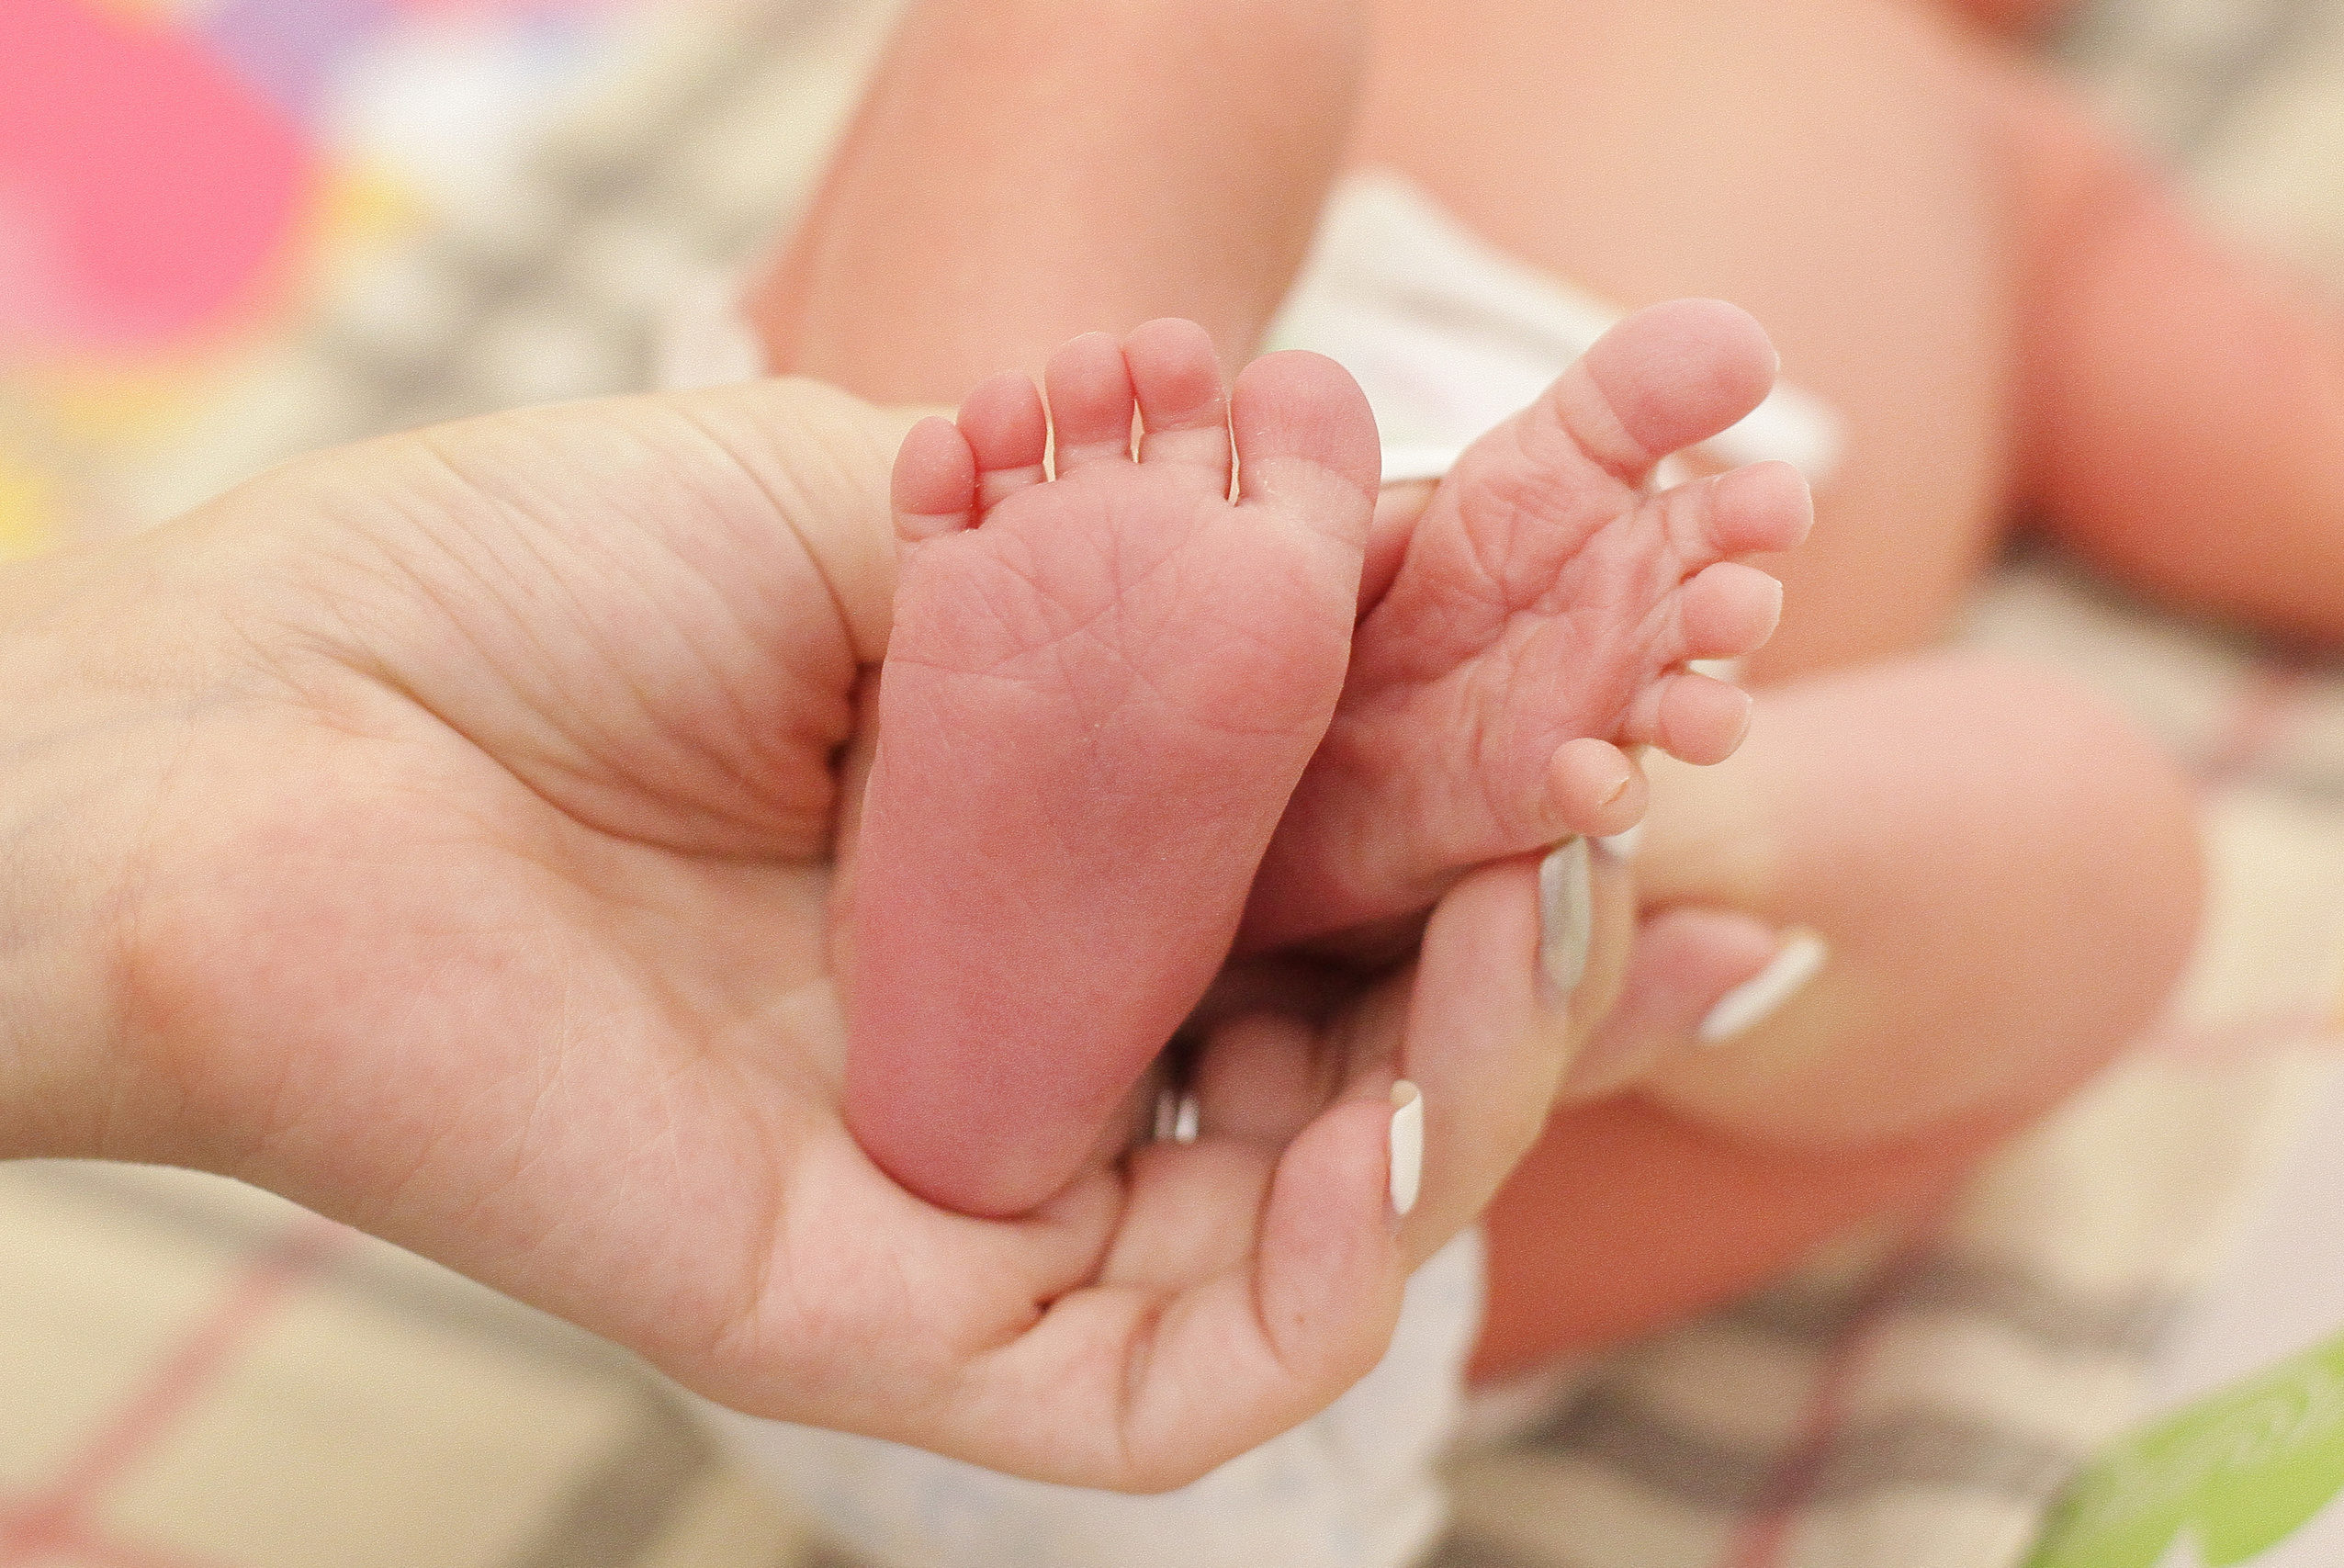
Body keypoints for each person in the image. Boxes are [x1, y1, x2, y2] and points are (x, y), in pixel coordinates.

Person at [759, 0, 2218, 1388]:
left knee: (2107, 840)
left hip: (1366, 1176)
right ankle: (970, 757)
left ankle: (1519, 881)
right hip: (753, 856)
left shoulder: (2025, 156)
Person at [0, 370, 1638, 1491]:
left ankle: (1240, 876)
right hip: (1233, 1263)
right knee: (1820, 886)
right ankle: (1505, 864)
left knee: (1170, 48)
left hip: (1058, 1263)